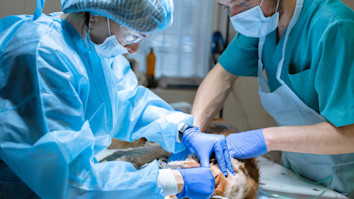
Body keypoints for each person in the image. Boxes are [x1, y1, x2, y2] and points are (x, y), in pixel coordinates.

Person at [0, 0, 235, 198]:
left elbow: (130, 103)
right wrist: (172, 179)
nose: (134, 49)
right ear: (98, 12)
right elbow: (71, 181)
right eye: (133, 34)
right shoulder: (42, 55)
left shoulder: (96, 47)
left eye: (144, 37)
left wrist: (184, 130)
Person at [192, 0, 354, 197]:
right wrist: (194, 131)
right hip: (298, 172)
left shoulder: (334, 27)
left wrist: (264, 138)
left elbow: (350, 134)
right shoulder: (264, 24)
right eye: (226, 7)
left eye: (242, 3)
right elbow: (222, 75)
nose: (235, 15)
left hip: (346, 178)